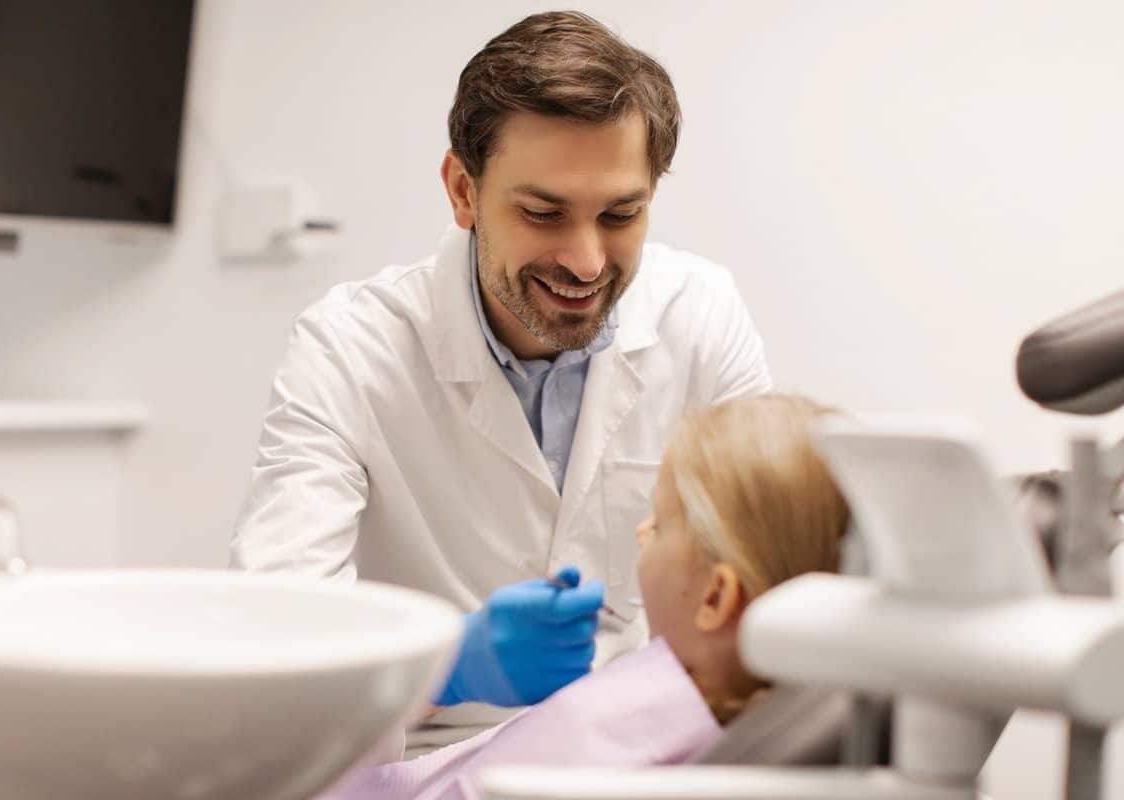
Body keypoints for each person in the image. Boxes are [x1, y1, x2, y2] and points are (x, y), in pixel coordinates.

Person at [231, 10, 771, 751]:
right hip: (425, 752)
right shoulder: (349, 348)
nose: (585, 261)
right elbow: (273, 646)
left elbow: (765, 566)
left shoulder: (701, 314)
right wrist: (447, 666)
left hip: (637, 747)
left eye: (621, 214)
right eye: (543, 213)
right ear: (463, 191)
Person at [322, 394, 852, 799]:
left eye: (662, 525)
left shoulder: (608, 762)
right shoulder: (704, 698)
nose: (642, 532)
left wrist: (438, 674)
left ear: (715, 598)